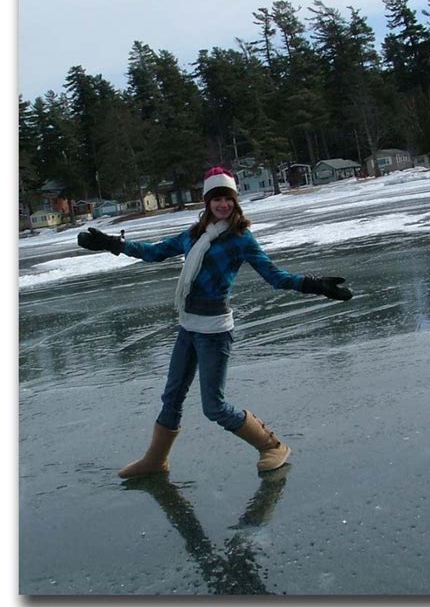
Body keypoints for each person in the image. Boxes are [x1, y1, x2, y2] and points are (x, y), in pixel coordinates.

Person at [77, 166, 352, 477]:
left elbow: (275, 277)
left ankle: (272, 447)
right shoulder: (194, 236)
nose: (223, 205)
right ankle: (155, 460)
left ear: (235, 203)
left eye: (229, 200)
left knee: (214, 407)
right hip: (189, 325)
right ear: (207, 202)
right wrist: (115, 244)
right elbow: (154, 253)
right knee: (172, 396)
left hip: (214, 332)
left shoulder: (240, 239)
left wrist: (315, 285)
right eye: (217, 199)